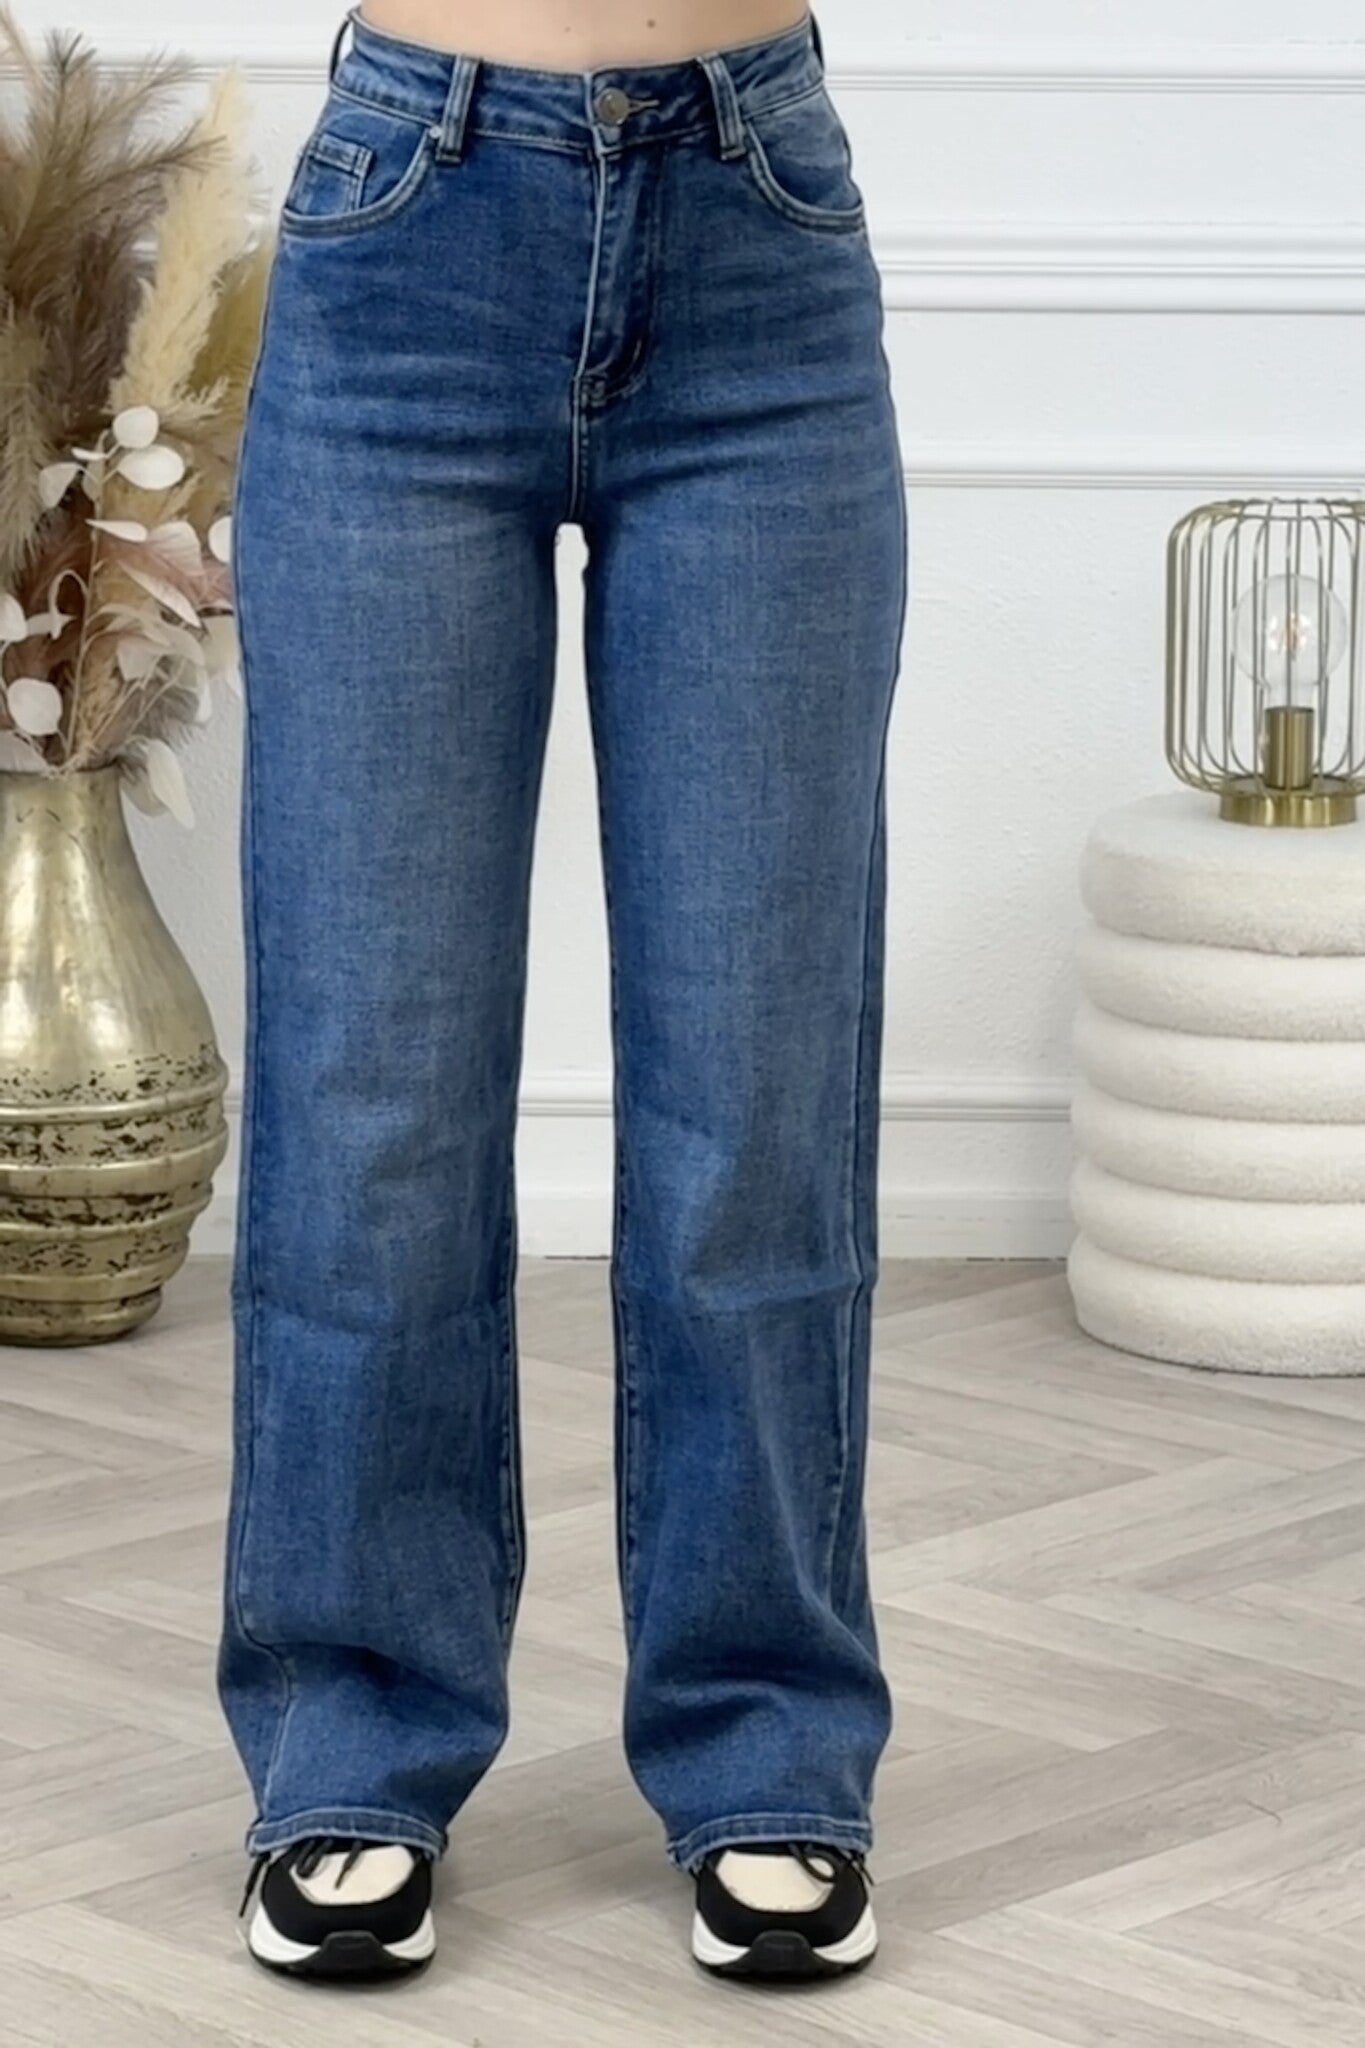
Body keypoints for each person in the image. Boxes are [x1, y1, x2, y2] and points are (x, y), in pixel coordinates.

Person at [218, 0, 906, 1987]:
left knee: (754, 1103)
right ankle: (352, 1739)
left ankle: (766, 1744)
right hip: (402, 237)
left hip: (758, 241)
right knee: (372, 1097)